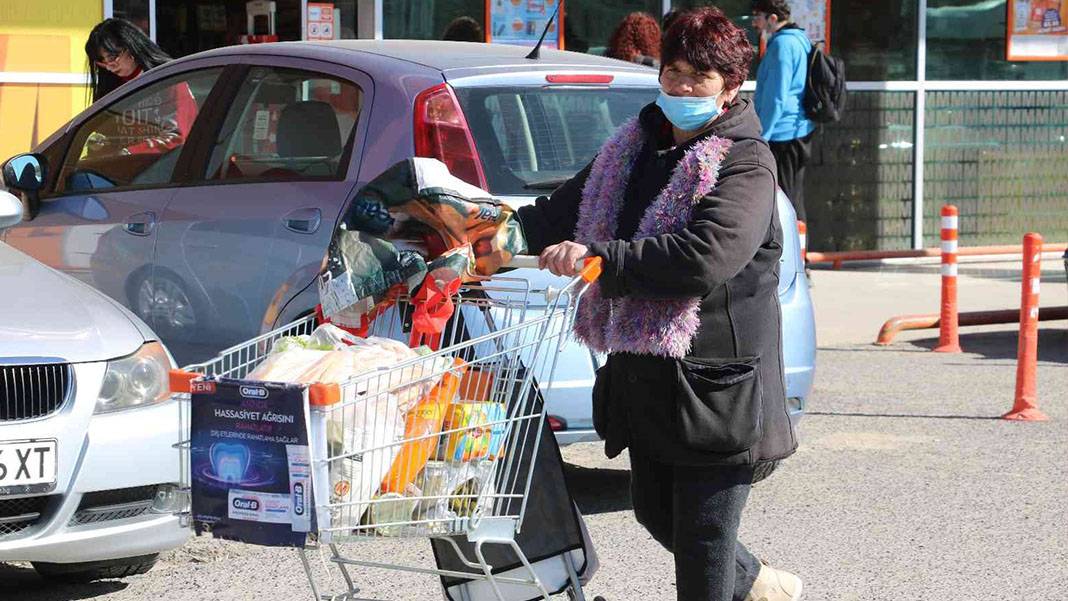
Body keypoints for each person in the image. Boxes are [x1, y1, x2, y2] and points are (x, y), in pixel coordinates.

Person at [516, 7, 803, 601]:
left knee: (702, 550)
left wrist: (601, 258)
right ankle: (763, 587)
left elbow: (705, 257)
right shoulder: (633, 147)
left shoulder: (745, 162)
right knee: (653, 512)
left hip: (717, 388)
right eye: (672, 72)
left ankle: (744, 586)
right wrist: (481, 235)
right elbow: (554, 213)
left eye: (698, 78)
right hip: (646, 379)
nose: (680, 88)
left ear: (731, 85)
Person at [84, 18, 196, 156]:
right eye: (102, 61)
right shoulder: (111, 89)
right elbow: (106, 137)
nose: (109, 66)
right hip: (120, 173)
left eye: (112, 57)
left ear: (131, 47)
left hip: (164, 171)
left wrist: (128, 153)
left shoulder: (168, 80)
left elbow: (179, 137)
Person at [751, 0, 815, 226]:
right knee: (792, 195)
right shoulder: (799, 40)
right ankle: (799, 255)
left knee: (786, 199)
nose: (754, 22)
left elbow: (776, 96)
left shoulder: (783, 45)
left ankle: (796, 257)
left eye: (758, 16)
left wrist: (762, 135)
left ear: (773, 18)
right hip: (794, 130)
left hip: (783, 133)